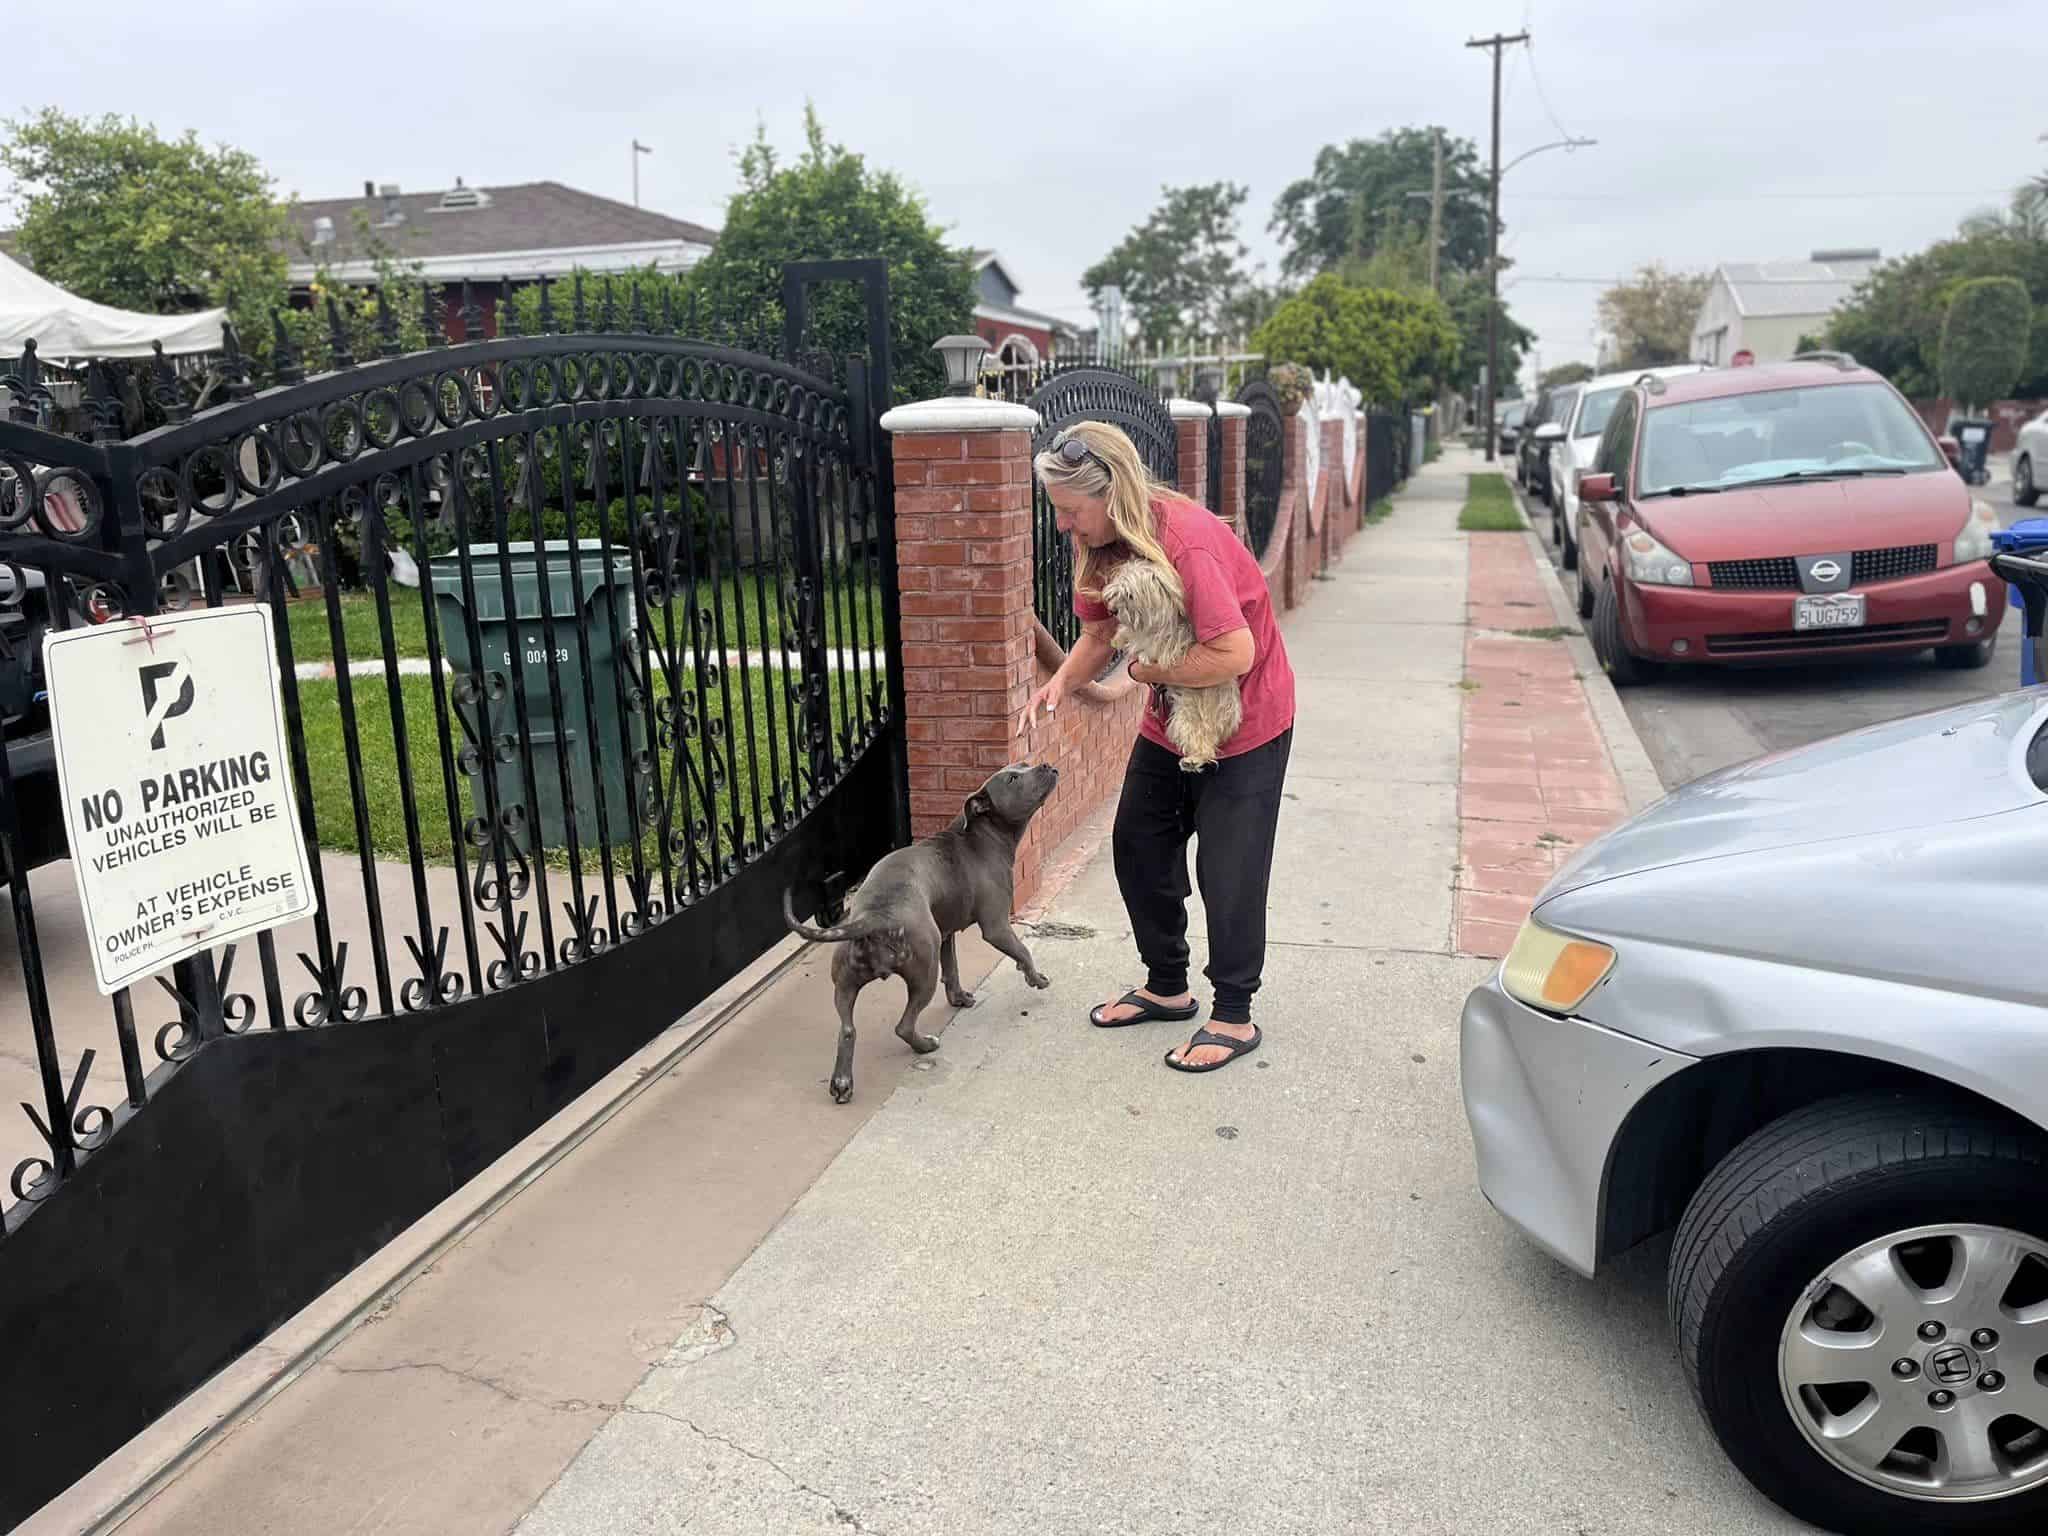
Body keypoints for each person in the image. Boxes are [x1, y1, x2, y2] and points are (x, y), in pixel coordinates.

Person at [1024, 421, 1296, 1074]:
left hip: (1246, 724)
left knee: (1228, 871)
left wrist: (1145, 674)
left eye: (1069, 512)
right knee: (1139, 847)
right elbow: (1100, 634)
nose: (1063, 526)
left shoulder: (1188, 544)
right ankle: (1167, 987)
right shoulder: (1104, 549)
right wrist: (1059, 683)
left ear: (1110, 493)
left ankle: (1233, 1014)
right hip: (1171, 722)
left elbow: (1234, 652)